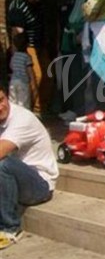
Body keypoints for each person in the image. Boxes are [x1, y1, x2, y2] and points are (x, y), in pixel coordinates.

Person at [0, 83, 58, 249]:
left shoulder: (21, 119)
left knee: (2, 164)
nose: (0, 107)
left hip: (40, 186)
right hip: (14, 182)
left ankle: (10, 228)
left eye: (1, 100)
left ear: (7, 97)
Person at [7, 0, 52, 116]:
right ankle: (35, 109)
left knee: (49, 74)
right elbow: (17, 32)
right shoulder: (17, 6)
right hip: (28, 45)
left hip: (41, 43)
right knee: (36, 76)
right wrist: (18, 52)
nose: (37, 0)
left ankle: (44, 106)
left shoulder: (38, 3)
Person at [59, 0, 94, 121]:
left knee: (82, 74)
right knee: (73, 71)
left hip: (82, 31)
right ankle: (75, 109)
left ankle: (81, 112)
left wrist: (83, 29)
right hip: (73, 31)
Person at [9, 32, 36, 110]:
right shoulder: (27, 57)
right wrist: (33, 82)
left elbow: (11, 66)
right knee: (23, 103)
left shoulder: (14, 56)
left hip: (13, 82)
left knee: (13, 102)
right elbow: (29, 70)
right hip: (23, 83)